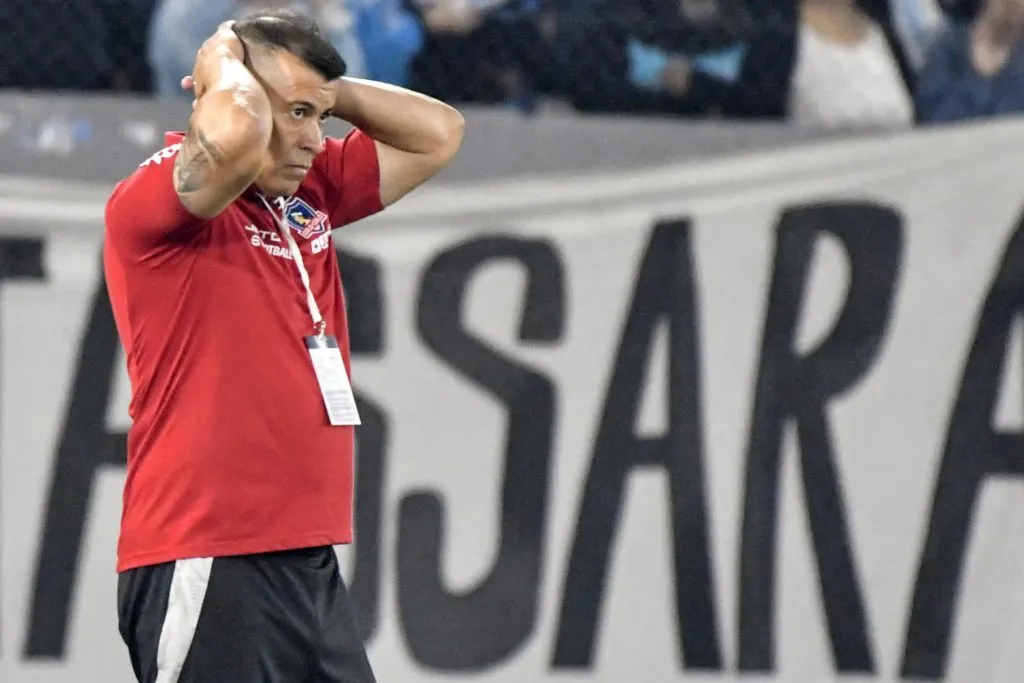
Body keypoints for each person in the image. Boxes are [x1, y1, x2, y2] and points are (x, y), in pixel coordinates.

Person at [104, 9, 464, 683]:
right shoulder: (158, 198)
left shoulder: (309, 193)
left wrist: (323, 92)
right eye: (293, 114)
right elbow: (235, 137)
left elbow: (439, 134)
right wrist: (224, 68)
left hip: (306, 556)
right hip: (208, 549)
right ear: (226, 91)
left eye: (317, 119)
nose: (310, 139)